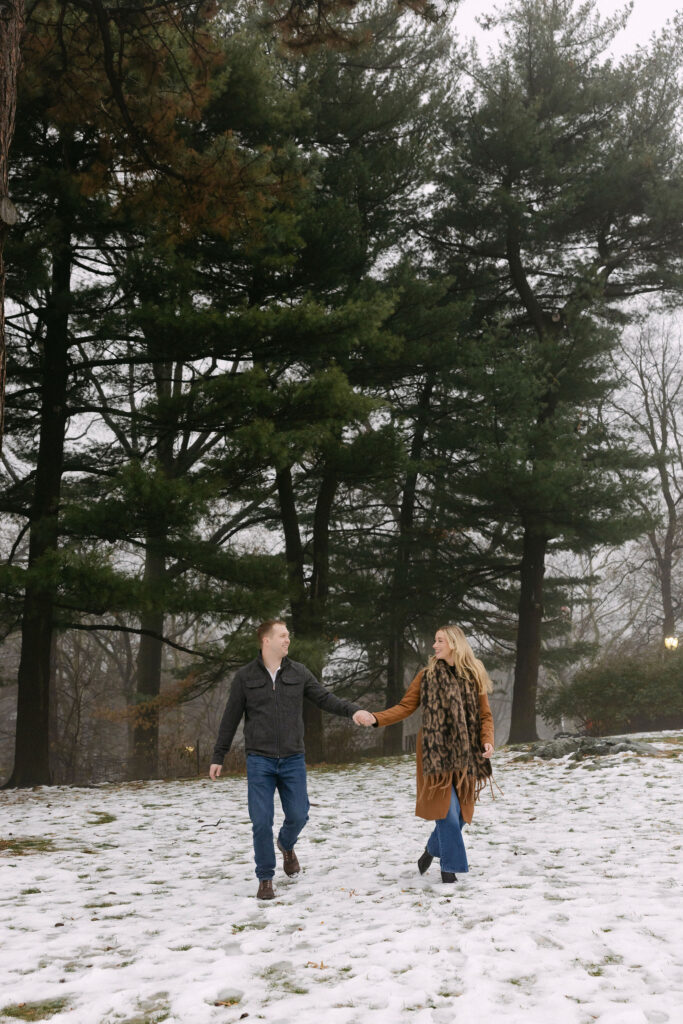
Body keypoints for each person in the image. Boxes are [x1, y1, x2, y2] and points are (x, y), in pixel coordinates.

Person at [209, 620, 368, 900]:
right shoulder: (245, 677)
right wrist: (218, 755)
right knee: (261, 820)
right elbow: (230, 717)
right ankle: (265, 878)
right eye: (282, 636)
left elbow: (325, 699)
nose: (287, 640)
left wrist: (352, 711)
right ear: (266, 641)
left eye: (288, 636)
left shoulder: (299, 672)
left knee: (298, 814)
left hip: (293, 758)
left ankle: (285, 844)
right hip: (259, 760)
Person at [355, 624, 494, 884]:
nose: (434, 645)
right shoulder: (427, 676)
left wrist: (487, 741)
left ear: (453, 643)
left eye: (439, 640)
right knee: (447, 813)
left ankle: (431, 850)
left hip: (467, 756)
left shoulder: (474, 674)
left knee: (461, 815)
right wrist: (375, 718)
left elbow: (485, 715)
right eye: (435, 640)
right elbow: (405, 707)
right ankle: (449, 872)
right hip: (435, 754)